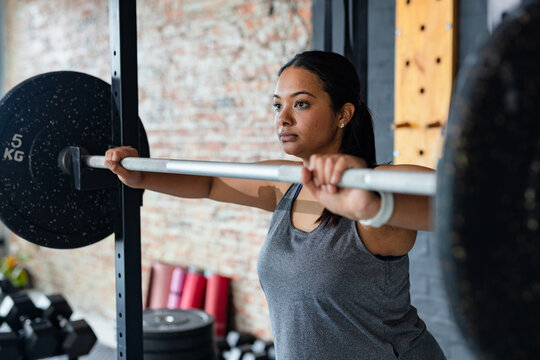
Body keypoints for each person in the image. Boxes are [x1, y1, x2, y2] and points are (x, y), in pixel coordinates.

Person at [105, 51, 445, 359]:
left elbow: (455, 204)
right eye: (276, 105)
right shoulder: (287, 184)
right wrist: (140, 175)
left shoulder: (377, 188)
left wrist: (368, 204)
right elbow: (208, 182)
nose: (282, 118)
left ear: (343, 114)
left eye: (300, 104)